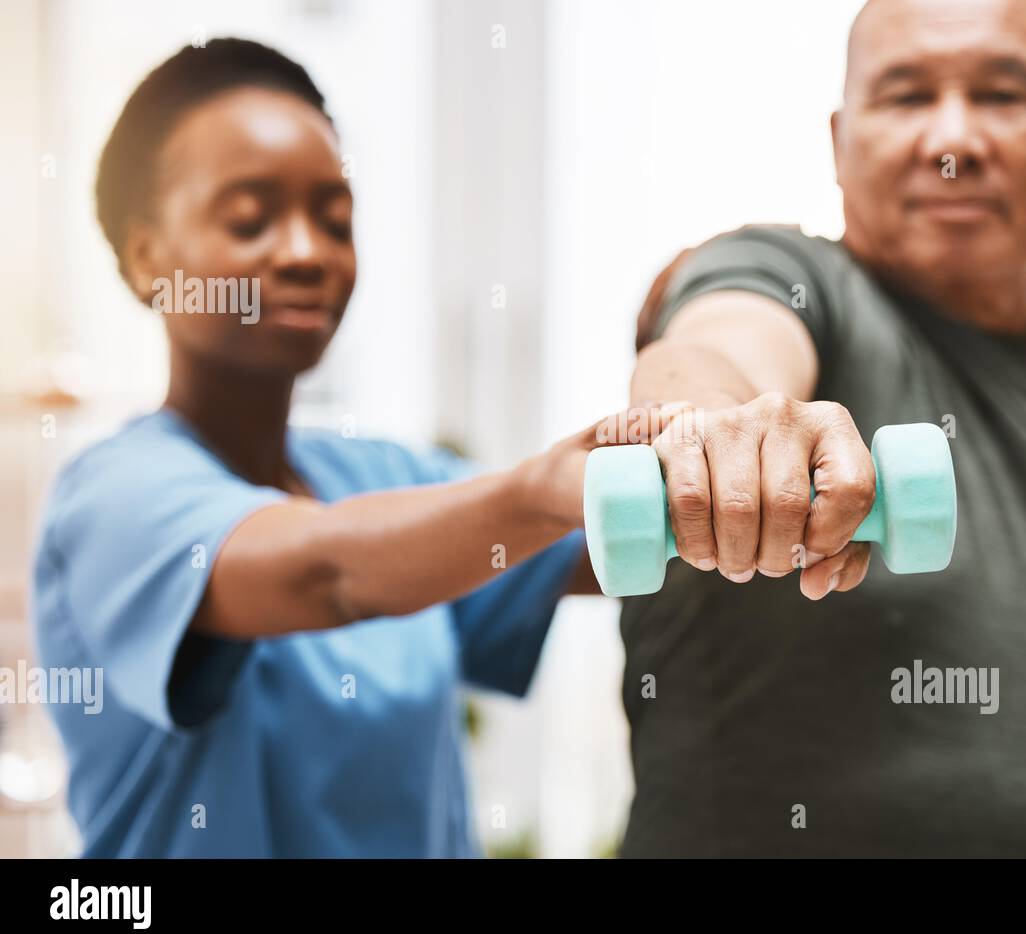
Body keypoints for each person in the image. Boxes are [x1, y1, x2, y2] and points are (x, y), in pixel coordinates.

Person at [620, 0, 1026, 857]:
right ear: (841, 143)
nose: (953, 140)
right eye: (907, 96)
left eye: (1002, 94)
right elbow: (717, 348)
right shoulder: (788, 279)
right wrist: (719, 431)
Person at [31, 38, 619, 857]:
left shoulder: (385, 476)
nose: (306, 252)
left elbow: (615, 537)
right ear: (146, 258)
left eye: (333, 219)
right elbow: (327, 572)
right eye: (250, 218)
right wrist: (540, 488)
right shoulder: (112, 499)